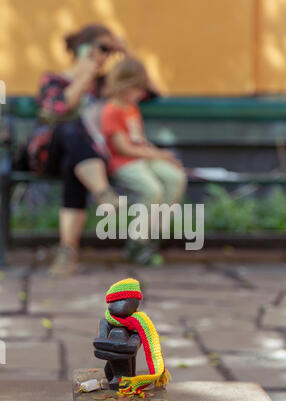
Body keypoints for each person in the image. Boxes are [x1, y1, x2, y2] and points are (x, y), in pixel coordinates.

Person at [26, 24, 129, 276]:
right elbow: (56, 111)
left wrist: (127, 52)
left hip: (83, 160)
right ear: (83, 48)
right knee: (69, 128)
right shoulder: (53, 79)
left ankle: (67, 253)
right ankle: (103, 192)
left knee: (75, 161)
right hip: (47, 154)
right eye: (102, 48)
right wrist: (84, 74)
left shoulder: (105, 84)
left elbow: (148, 91)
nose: (105, 55)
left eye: (109, 50)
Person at [101, 57, 187, 265]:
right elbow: (123, 148)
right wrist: (159, 155)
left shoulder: (132, 107)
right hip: (124, 162)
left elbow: (140, 140)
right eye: (137, 89)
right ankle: (137, 243)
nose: (141, 94)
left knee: (176, 178)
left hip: (143, 157)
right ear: (124, 86)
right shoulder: (112, 111)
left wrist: (163, 156)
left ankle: (152, 234)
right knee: (152, 190)